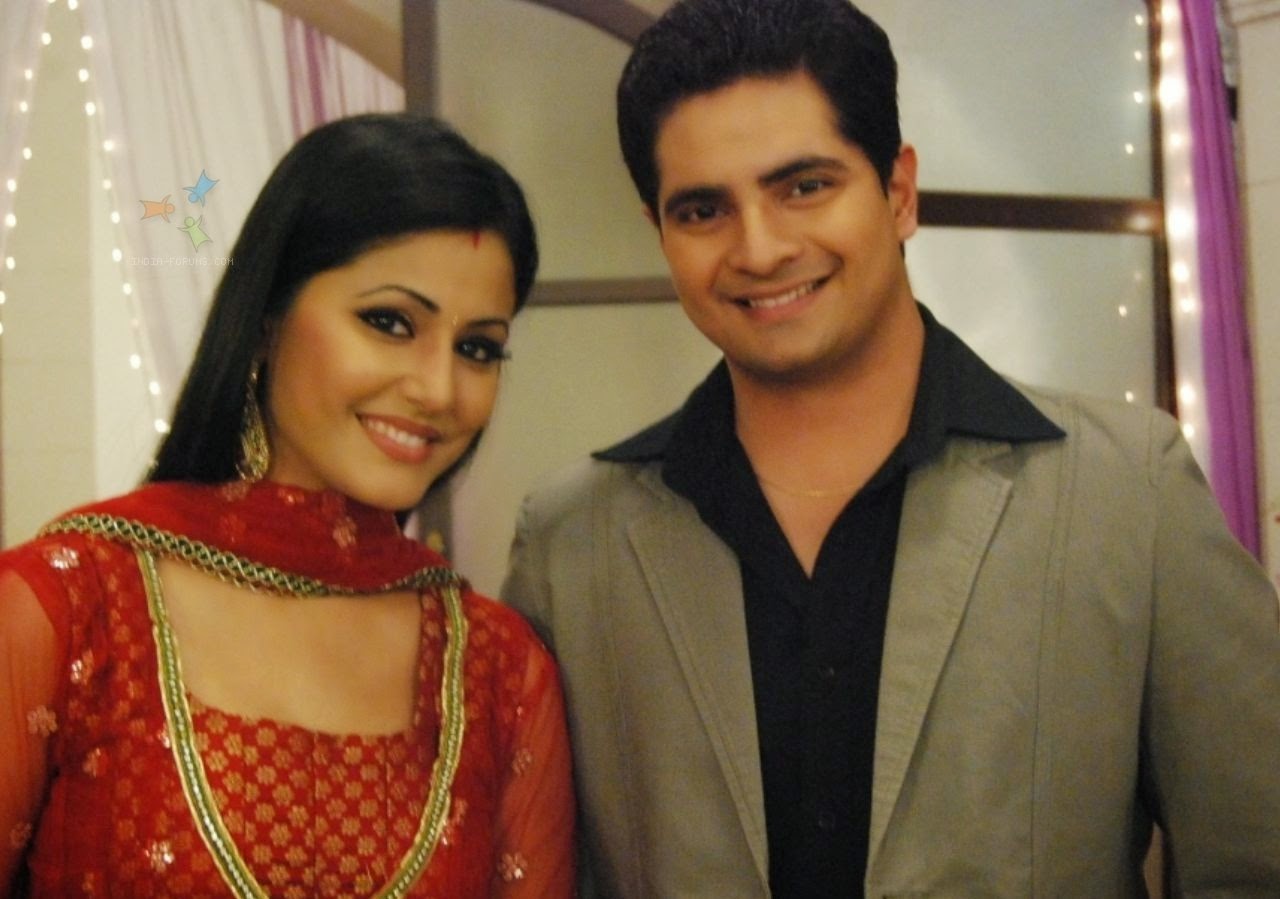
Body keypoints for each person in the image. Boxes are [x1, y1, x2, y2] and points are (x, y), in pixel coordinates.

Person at [500, 1, 1280, 896]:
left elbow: (1256, 859)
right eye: (704, 209)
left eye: (804, 186)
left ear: (899, 192)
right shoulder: (572, 543)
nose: (759, 248)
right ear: (661, 232)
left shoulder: (1125, 491)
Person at [0, 113, 574, 897]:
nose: (439, 389)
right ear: (268, 317)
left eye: (477, 347)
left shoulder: (499, 670)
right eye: (389, 322)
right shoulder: (70, 607)